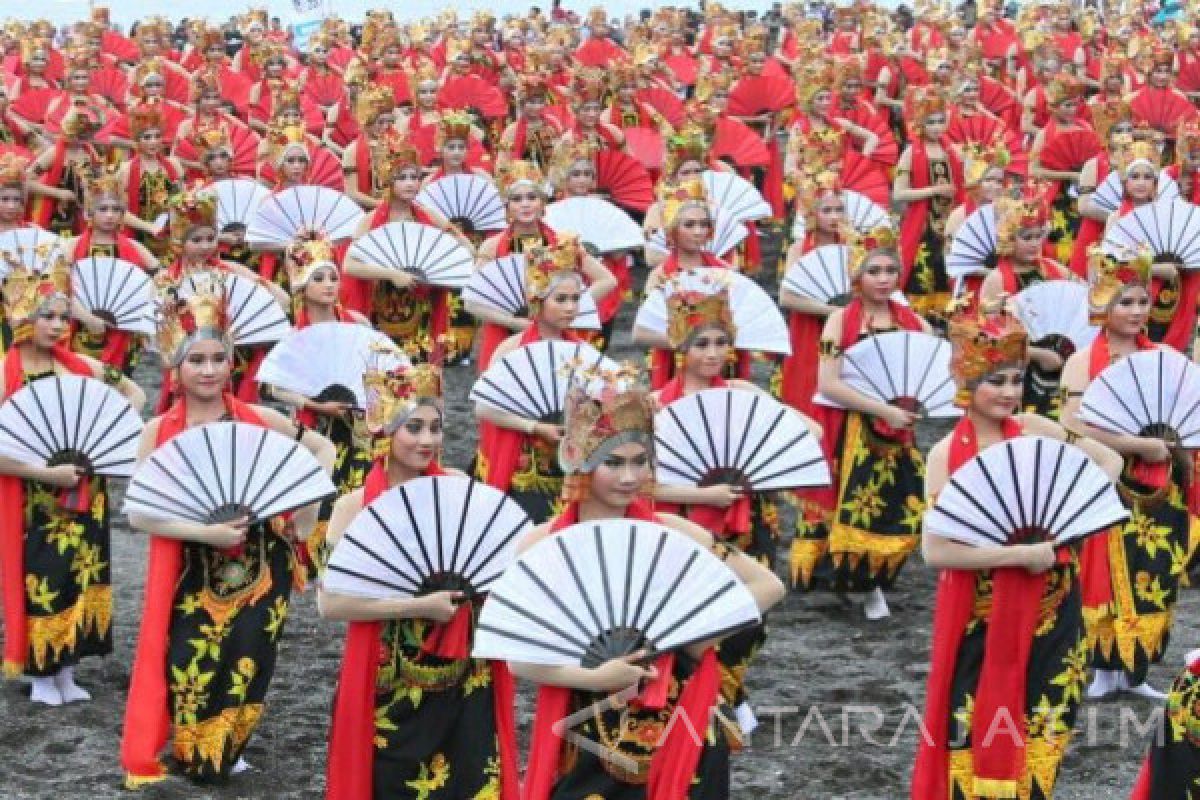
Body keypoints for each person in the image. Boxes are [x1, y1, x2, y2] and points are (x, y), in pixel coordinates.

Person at [515, 363, 786, 800]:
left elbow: (768, 586)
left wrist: (685, 634)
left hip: (683, 715)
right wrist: (596, 677)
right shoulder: (540, 545)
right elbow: (518, 659)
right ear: (580, 459)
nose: (628, 477)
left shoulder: (674, 533)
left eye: (640, 461)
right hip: (585, 721)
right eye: (613, 462)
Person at [119, 273, 335, 786]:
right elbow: (138, 514)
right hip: (193, 568)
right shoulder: (158, 432)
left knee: (248, 657)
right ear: (176, 365)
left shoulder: (259, 418)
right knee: (190, 660)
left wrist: (303, 521)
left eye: (219, 358)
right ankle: (196, 747)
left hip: (263, 566)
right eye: (197, 360)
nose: (210, 369)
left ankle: (229, 748)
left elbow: (321, 451)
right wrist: (206, 533)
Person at [913, 309, 1122, 800]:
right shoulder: (946, 452)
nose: (1008, 392)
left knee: (1047, 719)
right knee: (972, 724)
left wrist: (1074, 518)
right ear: (967, 382)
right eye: (994, 381)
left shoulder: (1034, 428)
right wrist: (1019, 555)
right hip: (980, 617)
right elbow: (935, 551)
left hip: (1055, 606)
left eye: (1015, 379)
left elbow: (1108, 461)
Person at [320, 357, 519, 800]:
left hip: (468, 668)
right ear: (386, 429)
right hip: (388, 674)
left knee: (470, 776)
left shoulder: (457, 488)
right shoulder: (353, 507)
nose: (427, 440)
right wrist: (417, 606)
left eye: (435, 427)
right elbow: (330, 603)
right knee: (392, 780)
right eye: (414, 427)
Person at [0, 255, 145, 705]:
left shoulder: (79, 366)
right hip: (32, 500)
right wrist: (47, 473)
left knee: (84, 575)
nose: (59, 324)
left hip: (87, 492)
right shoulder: (6, 373)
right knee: (43, 578)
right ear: (23, 315)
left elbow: (134, 392)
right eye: (48, 315)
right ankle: (41, 675)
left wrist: (111, 432)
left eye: (64, 316)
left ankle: (67, 669)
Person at [1060, 246, 1193, 701]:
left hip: (1162, 484)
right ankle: (1102, 669)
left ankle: (1134, 671)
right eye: (1126, 302)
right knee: (1105, 571)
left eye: (1142, 301)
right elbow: (1073, 425)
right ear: (1103, 305)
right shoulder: (1082, 362)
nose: (1138, 311)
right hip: (1108, 482)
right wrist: (1138, 445)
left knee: (1154, 570)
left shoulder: (1162, 356)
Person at [790, 231, 931, 620]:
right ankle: (864, 587)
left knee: (901, 501)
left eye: (890, 270)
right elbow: (828, 383)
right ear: (857, 277)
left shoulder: (915, 323)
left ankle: (874, 578)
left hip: (898, 429)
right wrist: (879, 409)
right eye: (874, 271)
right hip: (851, 427)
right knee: (852, 503)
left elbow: (927, 373)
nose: (884, 279)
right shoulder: (839, 321)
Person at [472, 234, 615, 522]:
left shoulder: (585, 353)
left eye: (575, 299)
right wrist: (534, 426)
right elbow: (483, 407)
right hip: (522, 471)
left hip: (571, 470)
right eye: (560, 299)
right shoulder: (510, 349)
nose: (570, 307)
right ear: (538, 302)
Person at [274, 238, 371, 574]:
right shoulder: (293, 333)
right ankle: (315, 557)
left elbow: (377, 370)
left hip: (356, 422)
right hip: (313, 423)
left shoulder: (357, 323)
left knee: (356, 485)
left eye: (333, 277)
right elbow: (276, 386)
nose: (329, 285)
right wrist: (315, 403)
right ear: (302, 283)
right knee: (320, 485)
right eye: (319, 278)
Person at [343, 133, 474, 362]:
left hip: (422, 309)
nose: (411, 183)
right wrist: (392, 274)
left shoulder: (428, 214)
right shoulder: (371, 220)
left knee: (423, 378)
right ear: (389, 182)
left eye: (415, 177)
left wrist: (464, 257)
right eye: (402, 177)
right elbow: (349, 265)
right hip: (381, 308)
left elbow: (463, 243)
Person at [976, 186, 1072, 418]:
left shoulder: (1056, 270)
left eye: (1039, 235)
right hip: (1018, 375)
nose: (1034, 243)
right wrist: (1039, 355)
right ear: (1009, 238)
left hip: (1060, 370)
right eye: (1026, 237)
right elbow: (989, 340)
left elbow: (1078, 311)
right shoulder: (996, 280)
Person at [894, 86, 963, 318]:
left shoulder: (951, 149)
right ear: (920, 124)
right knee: (923, 270)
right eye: (931, 122)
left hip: (950, 221)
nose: (937, 128)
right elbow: (898, 194)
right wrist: (934, 190)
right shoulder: (910, 153)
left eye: (941, 121)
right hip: (922, 223)